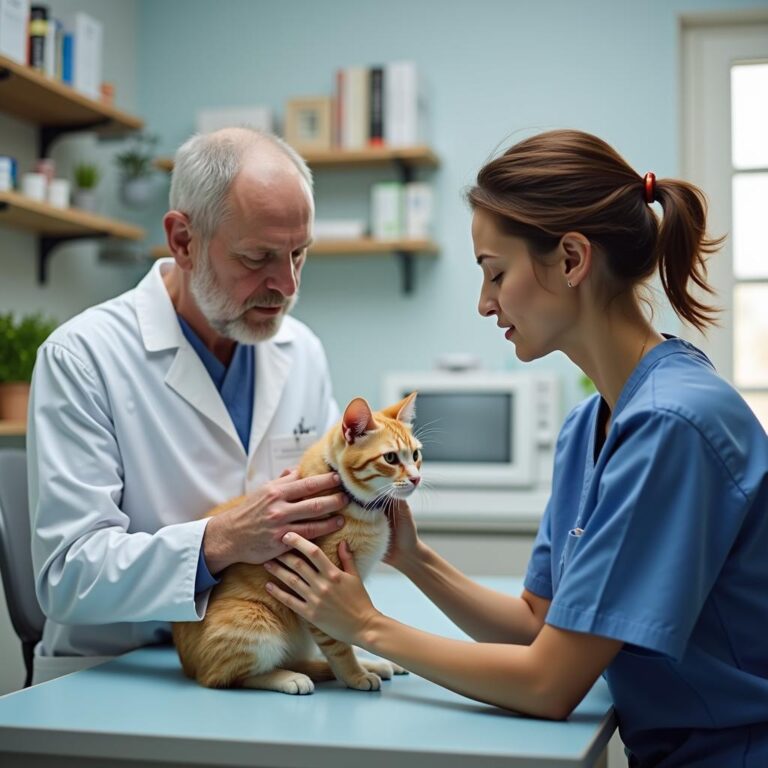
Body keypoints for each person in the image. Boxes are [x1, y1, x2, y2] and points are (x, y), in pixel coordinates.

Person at [265, 130, 768, 767]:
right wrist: (412, 557)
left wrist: (365, 625)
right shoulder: (588, 424)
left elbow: (550, 683)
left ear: (571, 259)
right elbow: (540, 624)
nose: (484, 303)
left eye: (495, 273)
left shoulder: (673, 424)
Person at [27, 127, 349, 684]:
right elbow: (65, 577)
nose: (286, 283)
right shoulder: (83, 356)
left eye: (300, 254)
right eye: (258, 257)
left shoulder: (303, 351)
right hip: (115, 673)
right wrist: (220, 540)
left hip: (269, 653)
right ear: (183, 241)